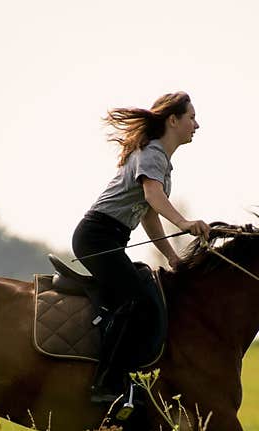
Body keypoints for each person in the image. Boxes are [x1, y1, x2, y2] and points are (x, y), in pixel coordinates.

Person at [72, 91, 211, 404]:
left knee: (141, 292)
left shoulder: (160, 160)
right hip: (97, 236)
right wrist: (185, 223)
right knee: (135, 300)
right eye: (191, 117)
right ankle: (106, 384)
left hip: (109, 238)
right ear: (173, 120)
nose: (197, 125)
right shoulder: (152, 154)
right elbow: (153, 197)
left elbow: (149, 214)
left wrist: (173, 257)